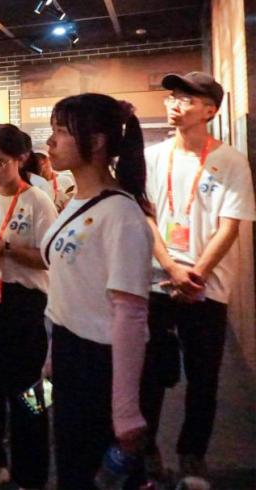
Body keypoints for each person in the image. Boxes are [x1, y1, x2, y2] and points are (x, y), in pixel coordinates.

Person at [139, 72, 256, 483]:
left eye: (187, 99)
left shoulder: (230, 160)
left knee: (204, 377)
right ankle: (147, 451)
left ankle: (192, 454)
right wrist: (172, 268)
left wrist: (197, 274)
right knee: (150, 373)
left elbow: (230, 225)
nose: (175, 104)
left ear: (210, 110)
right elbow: (146, 218)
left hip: (209, 286)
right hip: (157, 280)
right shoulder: (152, 157)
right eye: (173, 96)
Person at [41, 93, 153, 489]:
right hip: (69, 353)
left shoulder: (121, 214)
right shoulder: (77, 201)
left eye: (61, 131)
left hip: (101, 364)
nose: (50, 141)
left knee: (97, 475)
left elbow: (130, 314)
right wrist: (53, 354)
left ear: (98, 141)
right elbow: (69, 288)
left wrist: (125, 410)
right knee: (72, 468)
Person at [0, 124, 57, 489]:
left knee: (30, 394)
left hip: (24, 304)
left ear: (20, 159)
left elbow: (49, 258)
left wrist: (5, 249)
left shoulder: (38, 200)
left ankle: (32, 474)